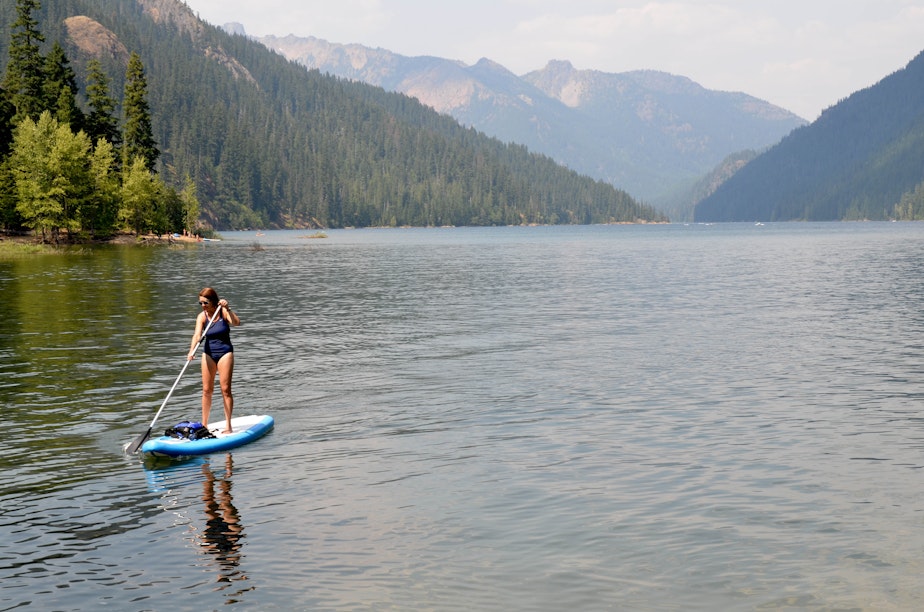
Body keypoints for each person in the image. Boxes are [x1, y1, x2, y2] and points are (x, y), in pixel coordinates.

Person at [188, 288, 240, 433]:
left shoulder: (222, 312)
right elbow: (197, 334)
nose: (203, 305)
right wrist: (191, 350)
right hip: (208, 353)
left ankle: (228, 426)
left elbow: (236, 323)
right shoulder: (202, 316)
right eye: (200, 303)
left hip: (225, 353)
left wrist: (227, 308)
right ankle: (204, 425)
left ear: (213, 301)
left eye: (205, 302)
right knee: (206, 390)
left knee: (225, 390)